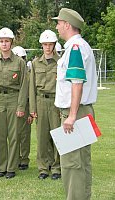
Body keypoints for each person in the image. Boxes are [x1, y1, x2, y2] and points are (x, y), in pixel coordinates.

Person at [52, 8, 98, 200]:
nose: (57, 27)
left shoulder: (75, 48)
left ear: (67, 25)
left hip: (75, 113)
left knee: (72, 164)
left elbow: (77, 83)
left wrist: (71, 116)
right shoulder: (81, 46)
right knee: (82, 162)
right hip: (82, 111)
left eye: (59, 23)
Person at [0, 27, 28, 179]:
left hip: (14, 99)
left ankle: (11, 168)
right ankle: (1, 167)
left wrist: (21, 106)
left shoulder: (19, 63)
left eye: (7, 41)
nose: (4, 44)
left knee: (14, 135)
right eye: (2, 41)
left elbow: (24, 85)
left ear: (11, 43)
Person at [29, 30, 61, 180]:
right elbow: (31, 88)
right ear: (41, 45)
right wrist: (32, 108)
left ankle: (56, 167)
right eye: (45, 44)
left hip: (56, 101)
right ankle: (43, 167)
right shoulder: (35, 63)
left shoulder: (61, 62)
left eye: (50, 44)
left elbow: (65, 85)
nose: (48, 47)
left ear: (54, 45)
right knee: (42, 137)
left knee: (57, 135)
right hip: (41, 101)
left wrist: (63, 107)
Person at [12, 46, 33, 170]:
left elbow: (31, 94)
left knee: (25, 134)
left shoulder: (29, 74)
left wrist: (30, 112)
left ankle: (24, 159)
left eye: (22, 58)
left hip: (25, 106)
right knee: (14, 134)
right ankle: (15, 158)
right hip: (12, 105)